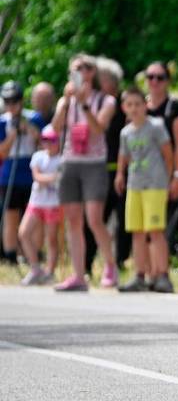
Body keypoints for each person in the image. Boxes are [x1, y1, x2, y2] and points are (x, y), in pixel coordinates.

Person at [51, 53, 118, 291]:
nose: (81, 72)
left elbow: (98, 129)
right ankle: (78, 275)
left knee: (94, 218)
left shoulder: (105, 101)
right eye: (76, 68)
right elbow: (55, 129)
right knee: (73, 219)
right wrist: (67, 102)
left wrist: (84, 104)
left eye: (85, 67)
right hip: (70, 161)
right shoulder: (65, 100)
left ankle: (110, 266)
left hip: (94, 163)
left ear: (93, 72)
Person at [114, 87, 174, 293]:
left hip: (154, 184)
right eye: (129, 105)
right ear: (124, 107)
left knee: (155, 230)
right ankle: (140, 274)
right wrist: (120, 174)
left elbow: (168, 153)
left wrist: (169, 178)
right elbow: (124, 155)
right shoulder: (126, 132)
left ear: (145, 105)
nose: (134, 109)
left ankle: (162, 275)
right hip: (135, 185)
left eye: (137, 104)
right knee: (137, 231)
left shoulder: (156, 126)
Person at [84, 56, 131, 274]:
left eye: (98, 79)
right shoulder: (92, 103)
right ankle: (86, 264)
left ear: (110, 81)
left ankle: (119, 263)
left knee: (123, 221)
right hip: (98, 170)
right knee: (93, 219)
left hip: (122, 172)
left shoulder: (126, 104)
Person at [144, 61, 178, 256]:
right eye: (150, 77)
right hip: (143, 173)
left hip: (166, 173)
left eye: (160, 77)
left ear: (168, 81)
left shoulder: (175, 106)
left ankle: (161, 266)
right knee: (144, 225)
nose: (154, 81)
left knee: (160, 224)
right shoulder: (139, 105)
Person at [0, 81, 44, 266]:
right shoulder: (2, 122)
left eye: (15, 101)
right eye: (7, 102)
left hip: (31, 169)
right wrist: (11, 136)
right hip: (10, 171)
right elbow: (2, 152)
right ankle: (10, 255)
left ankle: (33, 253)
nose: (12, 106)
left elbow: (45, 144)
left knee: (34, 214)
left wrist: (32, 131)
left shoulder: (34, 117)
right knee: (11, 215)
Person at [19, 125, 62, 285]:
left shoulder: (62, 159)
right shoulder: (38, 156)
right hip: (36, 202)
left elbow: (57, 178)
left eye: (52, 140)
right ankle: (35, 269)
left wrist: (47, 178)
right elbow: (37, 177)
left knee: (51, 239)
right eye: (45, 140)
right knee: (24, 233)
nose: (48, 143)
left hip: (54, 204)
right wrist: (53, 177)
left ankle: (49, 272)